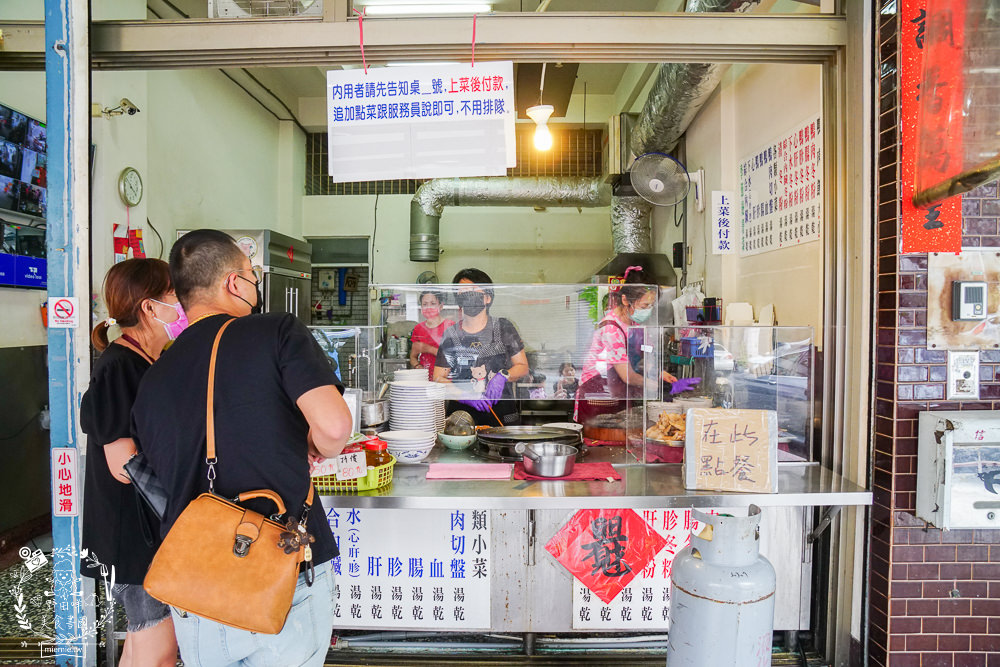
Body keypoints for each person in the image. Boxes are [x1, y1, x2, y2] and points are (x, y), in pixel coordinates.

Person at [131, 229, 353, 667]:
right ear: (235, 282)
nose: (254, 286)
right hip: (276, 566)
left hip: (193, 581)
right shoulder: (277, 331)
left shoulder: (153, 377)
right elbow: (334, 426)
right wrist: (313, 443)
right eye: (252, 276)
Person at [80, 258, 187, 667]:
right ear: (149, 307)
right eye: (174, 295)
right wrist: (180, 501)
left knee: (144, 646)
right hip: (134, 537)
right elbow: (123, 463)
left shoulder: (146, 362)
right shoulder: (119, 367)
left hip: (146, 533)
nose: (181, 305)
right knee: (159, 650)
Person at [576, 266, 699, 424]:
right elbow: (628, 376)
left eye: (651, 306)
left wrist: (661, 374)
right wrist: (660, 387)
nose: (648, 310)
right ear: (625, 300)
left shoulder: (635, 325)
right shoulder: (611, 329)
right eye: (644, 306)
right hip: (597, 397)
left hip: (619, 395)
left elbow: (643, 361)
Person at [433, 268, 529, 426]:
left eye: (472, 290)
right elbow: (438, 378)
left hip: (502, 417)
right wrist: (465, 395)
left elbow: (523, 367)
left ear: (488, 297)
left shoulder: (503, 327)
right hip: (461, 423)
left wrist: (503, 376)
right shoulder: (451, 334)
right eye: (462, 292)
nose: (467, 296)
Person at [408, 290, 455, 379]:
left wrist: (428, 349)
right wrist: (417, 366)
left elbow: (452, 357)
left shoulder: (450, 326)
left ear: (440, 306)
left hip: (445, 379)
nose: (428, 307)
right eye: (424, 304)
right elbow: (413, 357)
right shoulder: (418, 328)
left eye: (433, 303)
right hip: (425, 379)